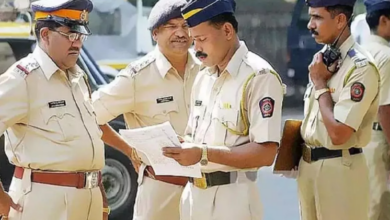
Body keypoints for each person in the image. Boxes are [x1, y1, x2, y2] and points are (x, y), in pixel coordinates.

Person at [162, 0, 284, 219]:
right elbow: (194, 136)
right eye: (194, 40)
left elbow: (266, 153)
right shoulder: (203, 77)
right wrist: (179, 146)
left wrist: (203, 154)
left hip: (232, 200)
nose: (196, 48)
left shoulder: (258, 77)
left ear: (227, 30)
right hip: (193, 198)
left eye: (201, 39)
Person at [91, 0, 201, 219]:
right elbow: (89, 116)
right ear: (155, 33)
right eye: (171, 26)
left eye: (186, 25)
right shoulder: (137, 77)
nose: (180, 33)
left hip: (206, 190)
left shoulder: (207, 70)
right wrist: (128, 150)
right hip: (162, 190)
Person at [0, 0, 110, 219]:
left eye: (81, 36)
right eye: (70, 34)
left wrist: (97, 190)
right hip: (44, 202)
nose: (77, 43)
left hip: (88, 200)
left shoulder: (77, 78)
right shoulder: (23, 79)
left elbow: (87, 142)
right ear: (45, 35)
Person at [296, 0, 380, 219]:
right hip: (308, 167)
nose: (310, 25)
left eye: (317, 17)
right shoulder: (322, 60)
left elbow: (339, 133)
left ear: (340, 20)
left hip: (340, 169)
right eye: (311, 16)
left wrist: (320, 85)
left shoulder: (360, 67)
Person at [360, 1, 390, 219]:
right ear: (384, 21)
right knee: (379, 207)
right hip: (380, 139)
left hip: (359, 140)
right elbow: (386, 109)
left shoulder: (357, 52)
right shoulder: (386, 56)